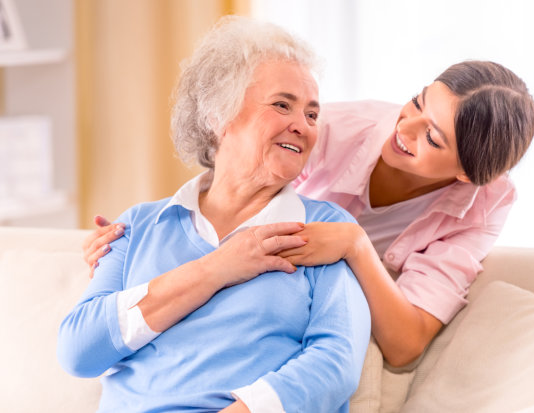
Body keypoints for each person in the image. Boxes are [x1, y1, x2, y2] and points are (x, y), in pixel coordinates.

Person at [84, 60, 534, 366]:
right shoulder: (330, 129)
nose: (405, 128)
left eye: (433, 138)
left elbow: (406, 345)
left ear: (466, 174)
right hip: (256, 284)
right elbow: (232, 196)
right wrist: (132, 239)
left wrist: (355, 245)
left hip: (319, 315)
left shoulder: (486, 201)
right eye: (418, 103)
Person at [58, 16, 370, 413]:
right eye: (282, 105)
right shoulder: (139, 226)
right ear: (218, 116)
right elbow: (78, 352)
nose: (302, 126)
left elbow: (335, 364)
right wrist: (219, 267)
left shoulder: (324, 229)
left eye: (311, 114)